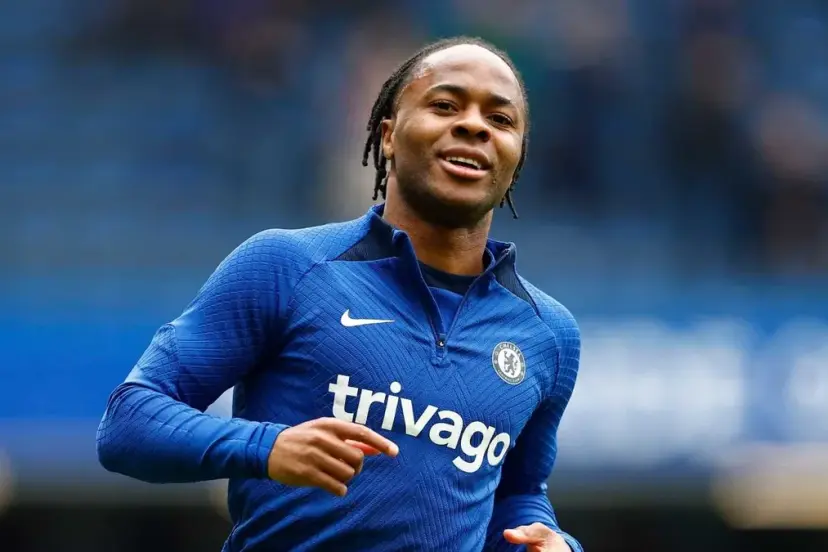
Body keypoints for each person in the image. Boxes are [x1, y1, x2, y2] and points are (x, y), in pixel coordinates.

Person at [96, 36, 583, 552]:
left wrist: (552, 542)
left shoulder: (548, 335)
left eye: (500, 119)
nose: (474, 125)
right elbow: (129, 422)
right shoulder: (287, 266)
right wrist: (268, 447)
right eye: (445, 105)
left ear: (516, 158)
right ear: (388, 135)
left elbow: (518, 493)